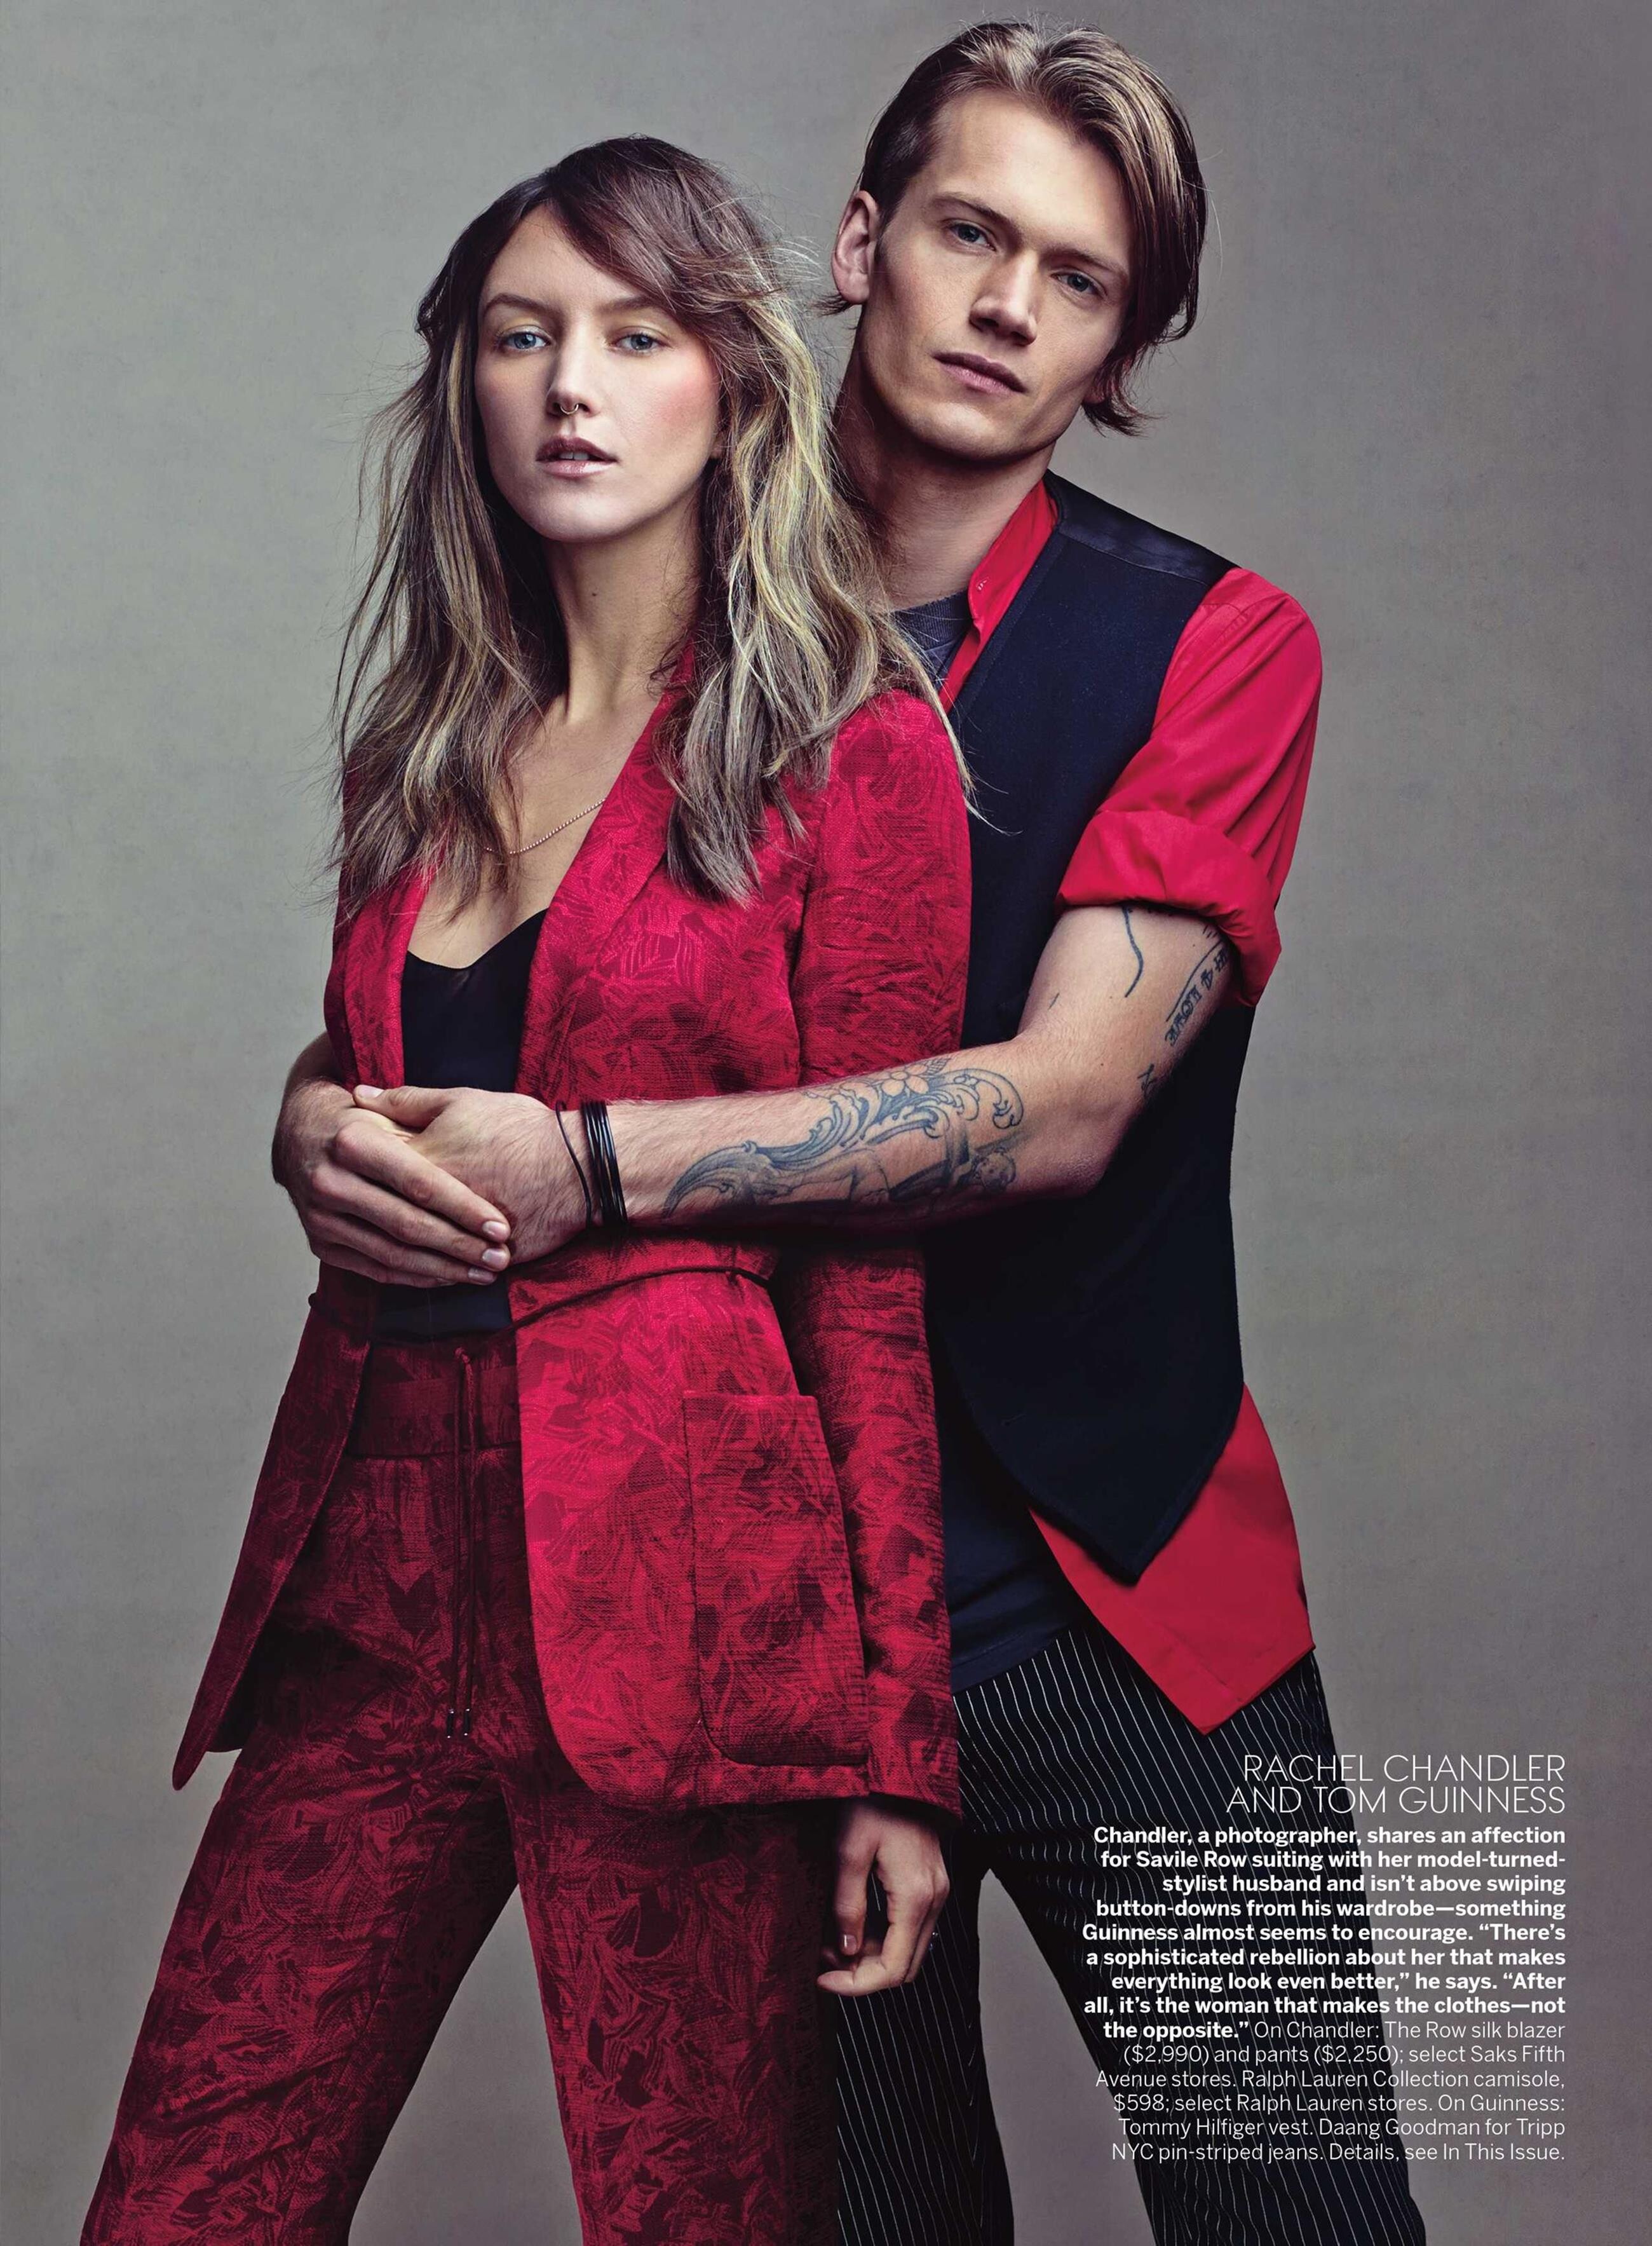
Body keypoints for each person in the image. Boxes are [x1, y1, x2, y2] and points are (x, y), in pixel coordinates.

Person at [273, 24, 1428, 2246]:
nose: (1006, 307)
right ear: (862, 242)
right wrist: (317, 1112)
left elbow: (1066, 1104)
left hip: (1133, 1598)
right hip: (765, 1615)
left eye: (1078, 281)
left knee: (1310, 2219)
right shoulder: (624, 601)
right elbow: (447, 990)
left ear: (1119, 349)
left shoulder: (1213, 643)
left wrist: (596, 1166)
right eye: (972, 233)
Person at [82, 137, 972, 2246]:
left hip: (684, 1590)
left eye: (636, 336)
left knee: (699, 2213)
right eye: (521, 336)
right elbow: (404, 1071)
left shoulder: (852, 752)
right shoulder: (424, 748)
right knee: (188, 2202)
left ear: (732, 386)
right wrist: (309, 1110)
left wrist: (899, 1748)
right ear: (465, 383)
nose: (572, 385)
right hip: (375, 1562)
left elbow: (868, 1270)